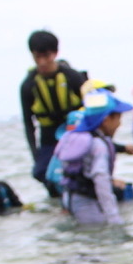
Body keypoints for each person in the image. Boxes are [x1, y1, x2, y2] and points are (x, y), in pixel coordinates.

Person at [19, 30, 87, 197]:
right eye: (37, 57)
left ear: (55, 53)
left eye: (46, 56)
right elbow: (28, 124)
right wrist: (35, 155)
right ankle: (57, 198)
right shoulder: (28, 85)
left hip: (75, 134)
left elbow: (90, 109)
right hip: (49, 138)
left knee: (82, 171)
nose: (42, 62)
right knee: (41, 172)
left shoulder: (73, 77)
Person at [57, 89, 132, 226]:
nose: (119, 124)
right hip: (87, 203)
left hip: (70, 199)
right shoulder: (98, 145)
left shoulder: (76, 137)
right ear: (106, 120)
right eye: (118, 119)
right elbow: (101, 178)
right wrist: (113, 216)